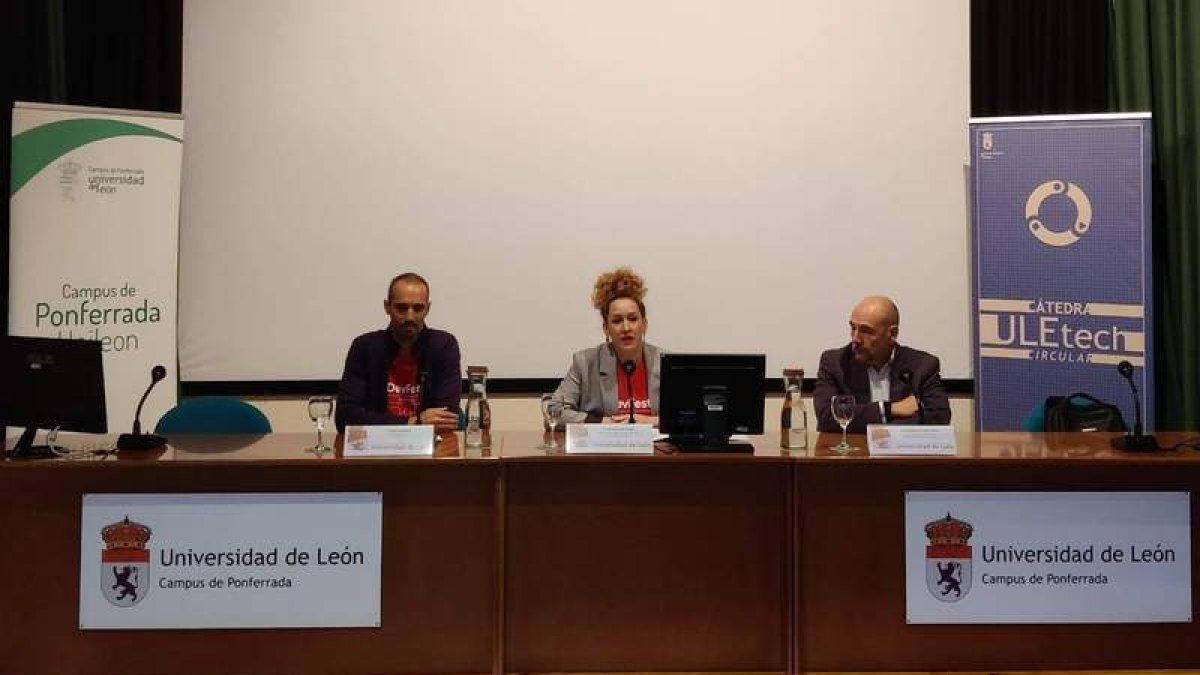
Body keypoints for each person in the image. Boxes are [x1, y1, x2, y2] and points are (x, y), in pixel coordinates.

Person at [335, 272, 461, 432]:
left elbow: (446, 419)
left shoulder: (443, 346)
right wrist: (414, 423)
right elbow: (345, 417)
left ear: (428, 309)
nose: (410, 316)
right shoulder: (364, 347)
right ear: (387, 307)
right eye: (401, 308)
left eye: (418, 308)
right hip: (375, 447)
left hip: (429, 448)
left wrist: (376, 421)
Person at [813, 295, 950, 433]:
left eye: (866, 331)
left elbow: (938, 419)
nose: (855, 338)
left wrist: (864, 421)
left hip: (903, 454)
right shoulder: (835, 363)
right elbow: (827, 418)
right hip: (853, 452)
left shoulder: (922, 366)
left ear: (892, 333)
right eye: (853, 328)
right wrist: (889, 410)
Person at [553, 267, 662, 425]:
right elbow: (554, 410)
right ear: (606, 328)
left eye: (632, 319)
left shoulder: (664, 362)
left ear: (644, 324)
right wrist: (600, 422)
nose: (626, 328)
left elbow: (693, 415)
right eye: (617, 321)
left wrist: (651, 420)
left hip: (657, 448)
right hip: (606, 448)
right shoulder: (585, 363)